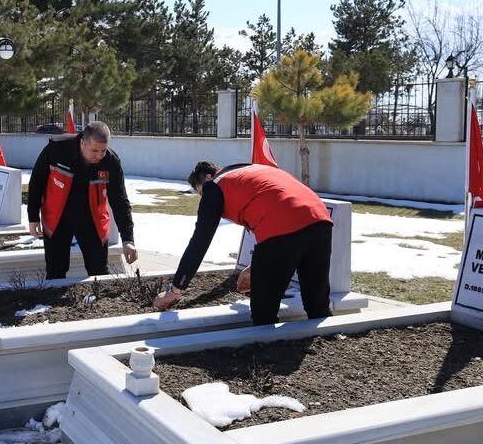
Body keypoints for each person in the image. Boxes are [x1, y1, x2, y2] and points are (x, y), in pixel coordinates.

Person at [153, 161, 333, 326]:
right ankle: (325, 341)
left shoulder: (214, 186)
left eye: (201, 193)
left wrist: (174, 290)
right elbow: (274, 205)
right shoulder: (249, 170)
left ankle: (267, 355)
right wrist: (256, 266)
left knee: (264, 311)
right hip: (320, 220)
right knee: (317, 301)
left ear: (207, 179)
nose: (204, 198)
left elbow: (200, 241)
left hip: (282, 228)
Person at [27, 121, 137, 278]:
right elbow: (36, 183)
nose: (99, 156)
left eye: (103, 150)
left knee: (99, 270)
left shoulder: (111, 162)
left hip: (92, 221)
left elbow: (120, 201)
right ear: (82, 142)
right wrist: (33, 217)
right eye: (94, 150)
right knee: (55, 270)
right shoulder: (56, 150)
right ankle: (50, 303)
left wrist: (128, 239)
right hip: (58, 219)